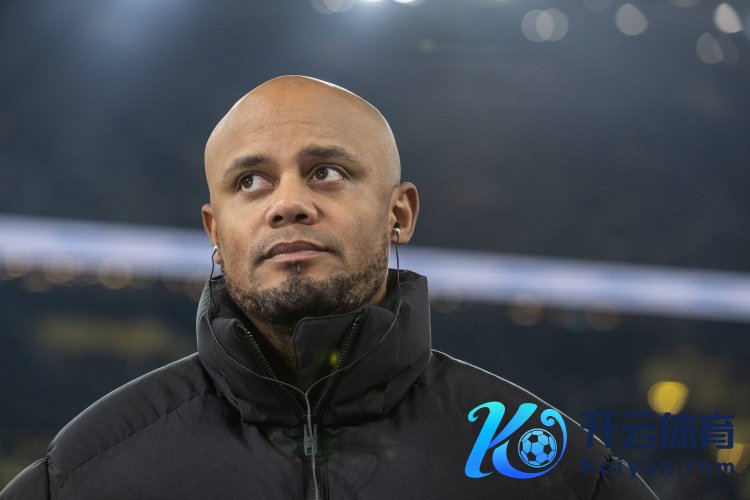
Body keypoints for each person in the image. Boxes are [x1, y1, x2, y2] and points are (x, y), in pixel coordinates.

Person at [0, 76, 658, 499]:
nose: (287, 203)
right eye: (250, 182)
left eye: (326, 172)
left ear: (399, 212)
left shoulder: (554, 466)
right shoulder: (87, 471)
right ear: (214, 229)